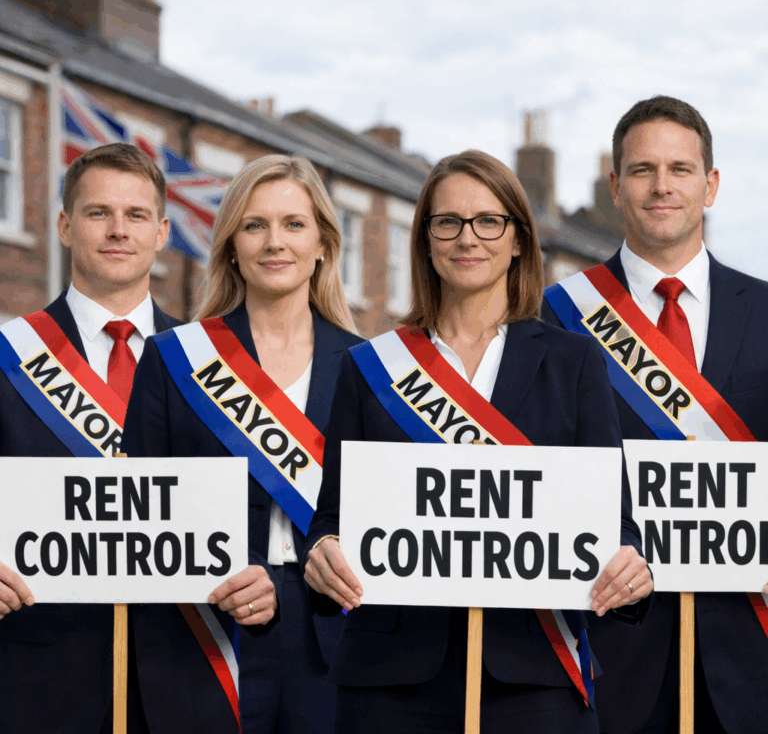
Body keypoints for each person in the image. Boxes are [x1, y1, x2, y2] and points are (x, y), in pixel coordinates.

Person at [303, 149, 652, 734]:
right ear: (426, 239)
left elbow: (614, 521)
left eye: (489, 221)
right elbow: (332, 517)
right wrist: (323, 552)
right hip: (390, 681)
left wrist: (631, 567)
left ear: (518, 239)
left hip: (535, 677)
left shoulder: (574, 362)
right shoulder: (370, 366)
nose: (468, 238)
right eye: (448, 222)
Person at [541, 95, 768, 734]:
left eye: (680, 169)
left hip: (749, 651)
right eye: (642, 170)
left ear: (710, 185)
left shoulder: (766, 311)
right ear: (616, 187)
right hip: (610, 648)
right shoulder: (556, 317)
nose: (662, 186)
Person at [121, 154, 361, 734]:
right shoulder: (174, 359)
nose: (274, 242)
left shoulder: (369, 368)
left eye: (293, 224)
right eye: (255, 225)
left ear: (323, 244)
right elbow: (141, 512)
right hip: (206, 628)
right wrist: (221, 565)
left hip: (332, 635)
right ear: (230, 246)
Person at [0, 143, 180, 733]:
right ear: (64, 226)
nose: (118, 230)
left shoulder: (207, 364)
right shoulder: (8, 356)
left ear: (161, 233)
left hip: (180, 679)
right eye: (99, 212)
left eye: (136, 215)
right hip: (40, 676)